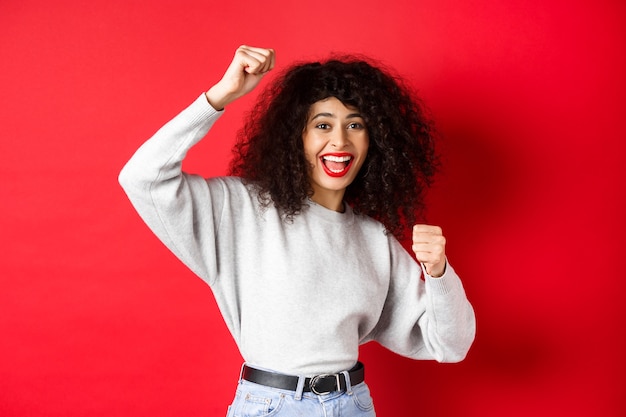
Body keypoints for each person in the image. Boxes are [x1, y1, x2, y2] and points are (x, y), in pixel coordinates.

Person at [119, 45, 475, 416]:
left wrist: (439, 274)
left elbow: (451, 344)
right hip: (271, 406)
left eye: (355, 125)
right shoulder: (241, 210)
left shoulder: (374, 239)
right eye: (323, 125)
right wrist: (219, 96)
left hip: (352, 404)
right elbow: (143, 177)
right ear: (296, 137)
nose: (339, 141)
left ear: (375, 142)